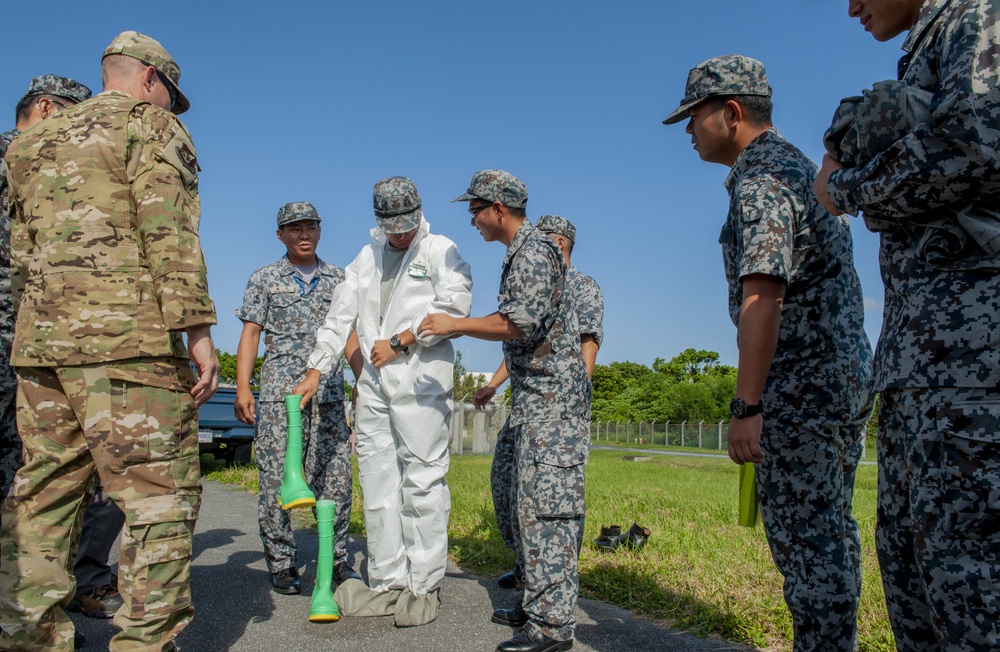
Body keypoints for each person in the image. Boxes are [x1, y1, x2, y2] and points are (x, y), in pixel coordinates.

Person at [0, 31, 219, 651]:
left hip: (42, 348)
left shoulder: (30, 141)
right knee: (156, 497)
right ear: (151, 79)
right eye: (170, 97)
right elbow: (169, 231)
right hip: (129, 345)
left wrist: (37, 328)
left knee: (42, 495)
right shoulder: (147, 125)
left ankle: (26, 635)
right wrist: (197, 329)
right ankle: (144, 643)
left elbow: (21, 254)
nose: (171, 110)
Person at [662, 56, 873, 651]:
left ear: (730, 113)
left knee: (809, 545)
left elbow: (763, 297)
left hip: (802, 389)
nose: (688, 130)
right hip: (840, 380)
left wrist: (746, 403)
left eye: (694, 115)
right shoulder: (798, 169)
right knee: (831, 532)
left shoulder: (763, 180)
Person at [813, 1, 1000, 648]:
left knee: (970, 589)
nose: (851, 6)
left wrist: (856, 185)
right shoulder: (932, 45)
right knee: (917, 580)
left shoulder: (979, 18)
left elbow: (972, 143)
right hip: (923, 367)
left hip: (973, 363)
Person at [420, 170, 590, 652]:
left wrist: (455, 324)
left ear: (498, 208)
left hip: (553, 408)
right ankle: (539, 605)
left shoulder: (535, 252)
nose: (472, 219)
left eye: (475, 209)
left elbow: (518, 322)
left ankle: (552, 630)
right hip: (535, 404)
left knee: (548, 514)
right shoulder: (523, 252)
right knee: (526, 509)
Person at [294, 176, 472, 627]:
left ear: (418, 213)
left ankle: (424, 583)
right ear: (379, 221)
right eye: (391, 225)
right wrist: (317, 369)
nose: (399, 233)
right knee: (377, 483)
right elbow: (340, 316)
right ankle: (388, 579)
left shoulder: (440, 251)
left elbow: (456, 308)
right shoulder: (366, 256)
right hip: (373, 387)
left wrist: (401, 340)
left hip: (420, 382)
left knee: (423, 481)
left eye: (406, 224)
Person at [234, 201, 358, 596]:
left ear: (320, 231)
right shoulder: (265, 278)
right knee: (275, 480)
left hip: (330, 396)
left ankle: (335, 559)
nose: (303, 234)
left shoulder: (340, 279)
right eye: (294, 228)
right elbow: (251, 334)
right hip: (279, 396)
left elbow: (350, 336)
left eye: (310, 227)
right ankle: (283, 563)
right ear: (280, 235)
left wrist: (365, 385)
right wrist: (242, 387)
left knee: (336, 481)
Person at [474, 214, 603, 592]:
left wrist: (573, 395)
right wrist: (494, 385)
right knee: (508, 481)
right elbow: (522, 339)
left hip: (557, 403)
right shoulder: (538, 282)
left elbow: (587, 342)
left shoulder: (582, 286)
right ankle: (527, 564)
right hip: (527, 402)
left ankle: (547, 578)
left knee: (550, 495)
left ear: (558, 244)